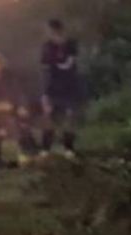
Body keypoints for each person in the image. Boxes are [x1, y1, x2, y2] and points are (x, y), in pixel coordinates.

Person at [40, 19, 82, 158]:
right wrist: (45, 93)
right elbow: (46, 68)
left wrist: (59, 64)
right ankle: (46, 149)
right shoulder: (47, 47)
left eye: (54, 31)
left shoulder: (71, 45)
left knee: (70, 118)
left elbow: (70, 63)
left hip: (70, 87)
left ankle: (68, 147)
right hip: (52, 87)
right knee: (49, 118)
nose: (52, 34)